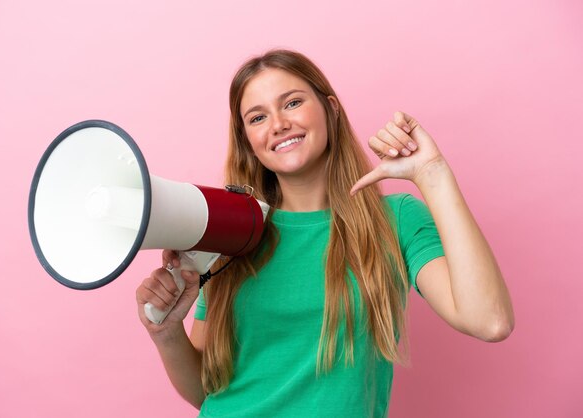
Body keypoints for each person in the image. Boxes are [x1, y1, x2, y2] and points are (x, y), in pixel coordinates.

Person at [135, 49, 515, 418]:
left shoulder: (394, 220)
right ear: (249, 142)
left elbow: (490, 320)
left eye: (293, 103)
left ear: (331, 108)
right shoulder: (228, 231)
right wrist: (166, 332)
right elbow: (205, 390)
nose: (278, 125)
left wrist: (432, 172)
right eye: (257, 118)